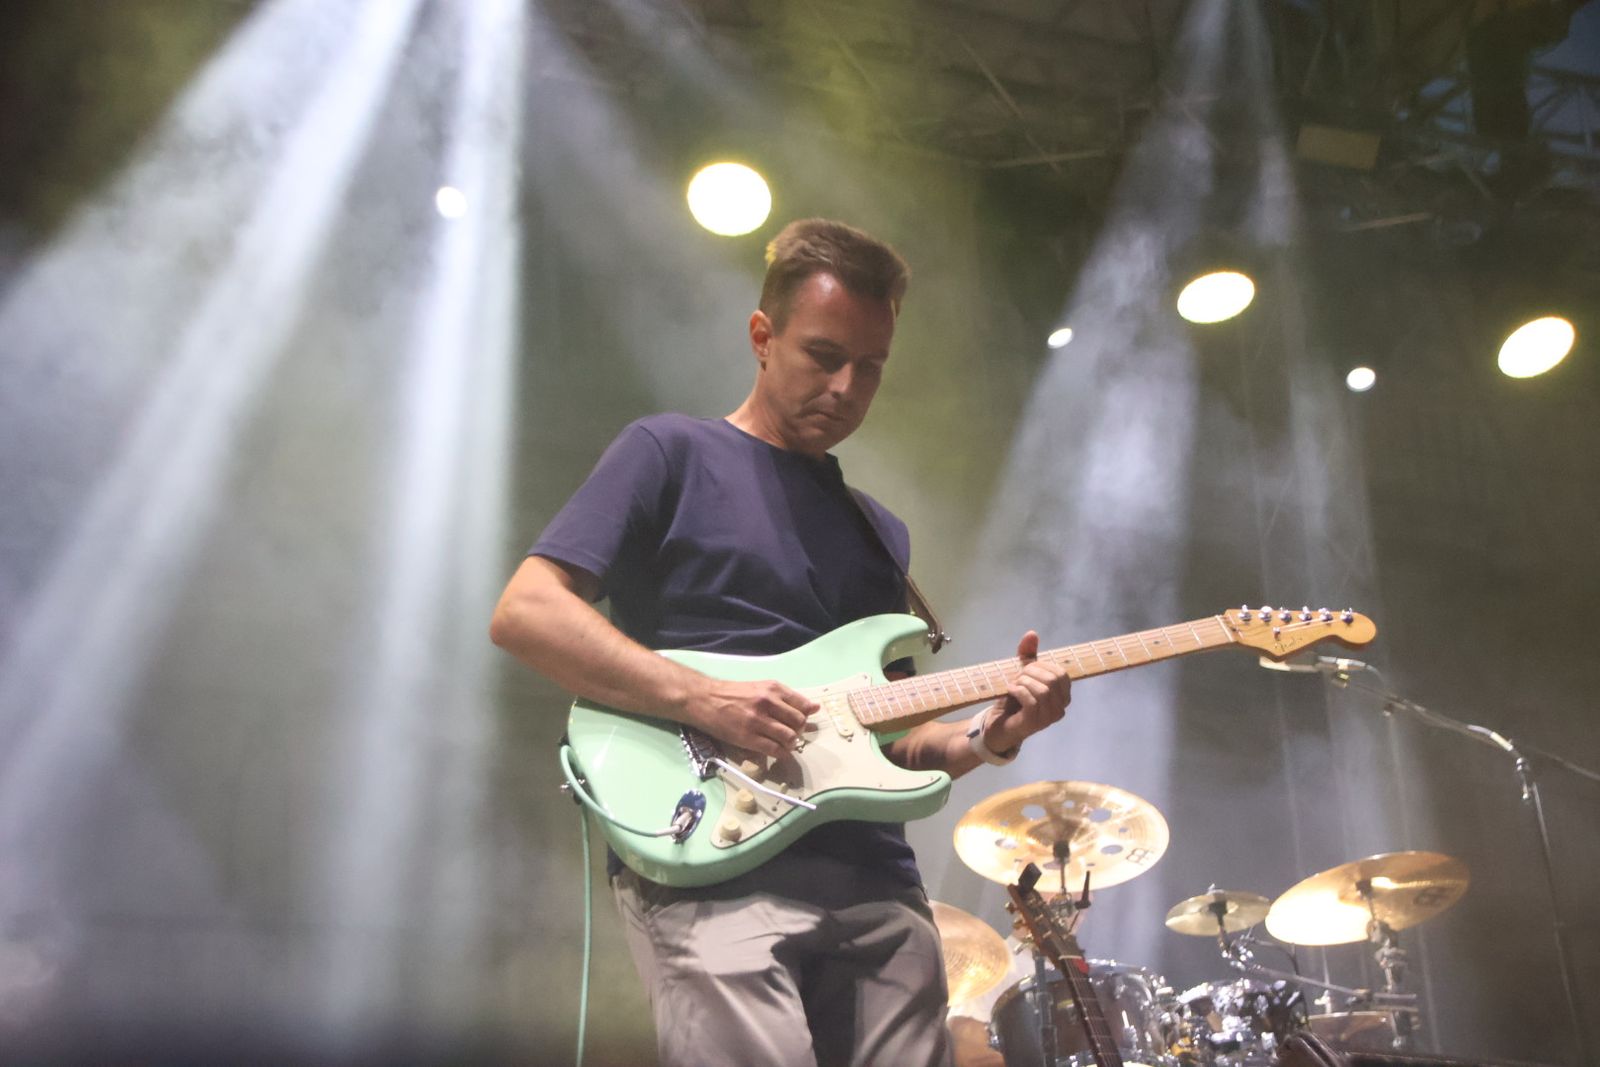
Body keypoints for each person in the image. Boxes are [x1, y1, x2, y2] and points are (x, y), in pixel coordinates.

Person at [490, 218, 1072, 1067]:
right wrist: (704, 698)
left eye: (868, 367)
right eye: (823, 355)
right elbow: (527, 612)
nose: (845, 386)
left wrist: (989, 737)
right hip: (714, 860)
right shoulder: (669, 452)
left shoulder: (880, 533)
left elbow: (892, 740)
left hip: (877, 885)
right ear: (763, 337)